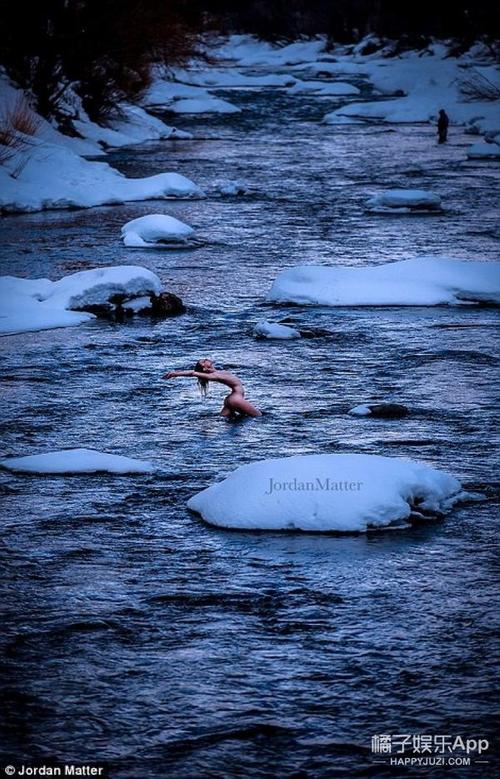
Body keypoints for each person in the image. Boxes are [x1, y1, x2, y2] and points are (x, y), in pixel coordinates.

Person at [164, 359, 262, 417]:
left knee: (223, 419)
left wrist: (210, 368)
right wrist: (175, 374)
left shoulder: (216, 372)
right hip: (236, 399)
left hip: (230, 400)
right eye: (203, 361)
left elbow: (210, 370)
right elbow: (193, 373)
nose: (206, 359)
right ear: (204, 368)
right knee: (259, 417)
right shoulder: (214, 376)